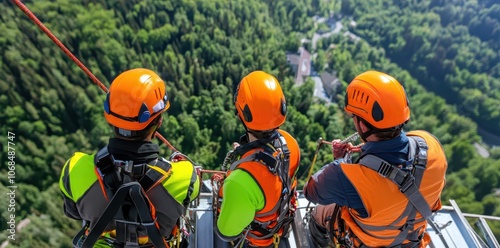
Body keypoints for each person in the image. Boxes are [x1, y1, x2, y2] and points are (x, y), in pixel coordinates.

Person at [304, 70, 447, 248]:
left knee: (319, 212)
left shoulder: (345, 177)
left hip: (369, 242)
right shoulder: (432, 147)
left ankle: (316, 243)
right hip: (411, 238)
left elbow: (310, 191)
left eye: (355, 118)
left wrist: (341, 161)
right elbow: (402, 152)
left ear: (362, 125)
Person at [59, 68, 200, 248]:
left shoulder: (75, 169)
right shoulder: (184, 176)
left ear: (109, 117)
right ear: (159, 121)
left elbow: (73, 213)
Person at [215, 71, 301, 248]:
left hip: (257, 242)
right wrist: (245, 156)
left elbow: (226, 232)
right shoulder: (290, 145)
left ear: (240, 115)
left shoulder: (240, 183)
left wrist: (243, 163)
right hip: (279, 226)